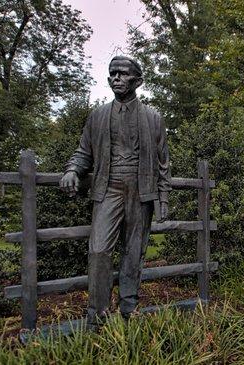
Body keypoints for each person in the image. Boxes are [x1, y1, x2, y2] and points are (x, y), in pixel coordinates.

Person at [59, 56, 171, 327]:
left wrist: (163, 199)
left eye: (123, 74)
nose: (116, 78)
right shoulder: (97, 116)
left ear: (138, 81)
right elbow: (83, 152)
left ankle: (128, 308)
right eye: (112, 74)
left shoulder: (154, 118)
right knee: (98, 250)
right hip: (108, 188)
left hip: (141, 190)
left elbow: (163, 163)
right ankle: (96, 316)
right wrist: (73, 169)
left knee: (134, 251)